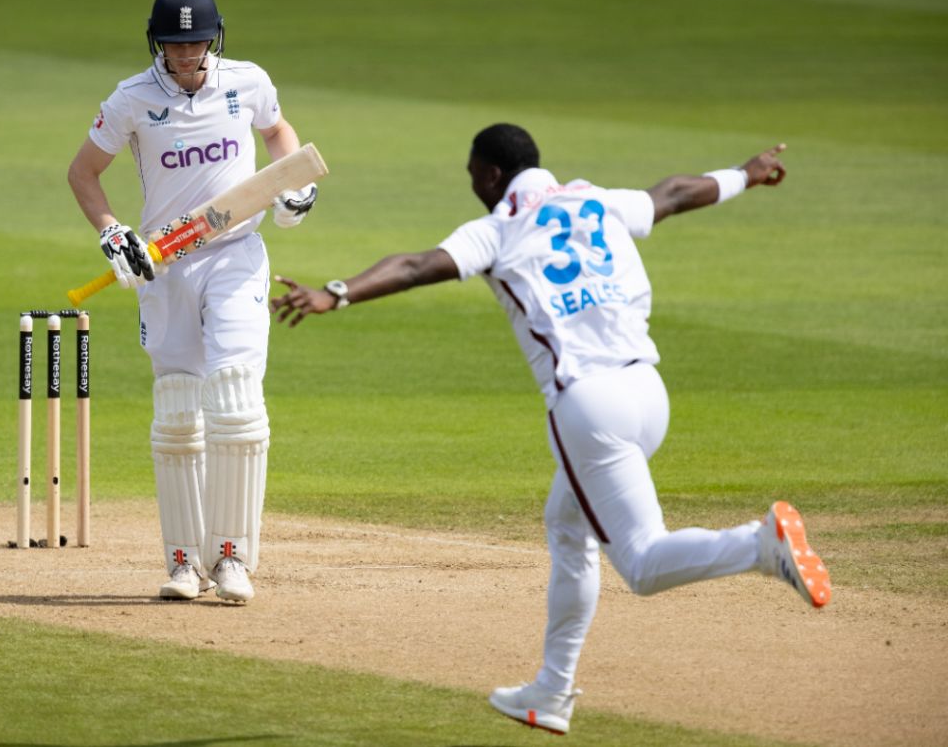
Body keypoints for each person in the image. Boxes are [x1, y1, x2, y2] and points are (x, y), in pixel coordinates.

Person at [269, 123, 831, 734]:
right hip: (649, 392)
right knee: (568, 527)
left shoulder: (498, 229)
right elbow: (672, 194)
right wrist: (745, 175)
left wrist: (337, 293)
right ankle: (551, 691)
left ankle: (760, 546)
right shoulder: (596, 200)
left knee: (641, 564)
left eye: (471, 174)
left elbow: (413, 265)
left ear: (488, 175)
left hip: (589, 408)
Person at [68, 0, 318, 604]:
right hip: (164, 267)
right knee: (179, 412)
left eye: (197, 43)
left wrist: (293, 189)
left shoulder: (247, 82)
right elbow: (83, 173)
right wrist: (112, 234)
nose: (186, 55)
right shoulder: (130, 99)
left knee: (234, 399)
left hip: (235, 255)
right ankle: (184, 563)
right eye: (175, 46)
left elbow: (281, 135)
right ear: (157, 43)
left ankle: (232, 558)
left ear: (216, 38)